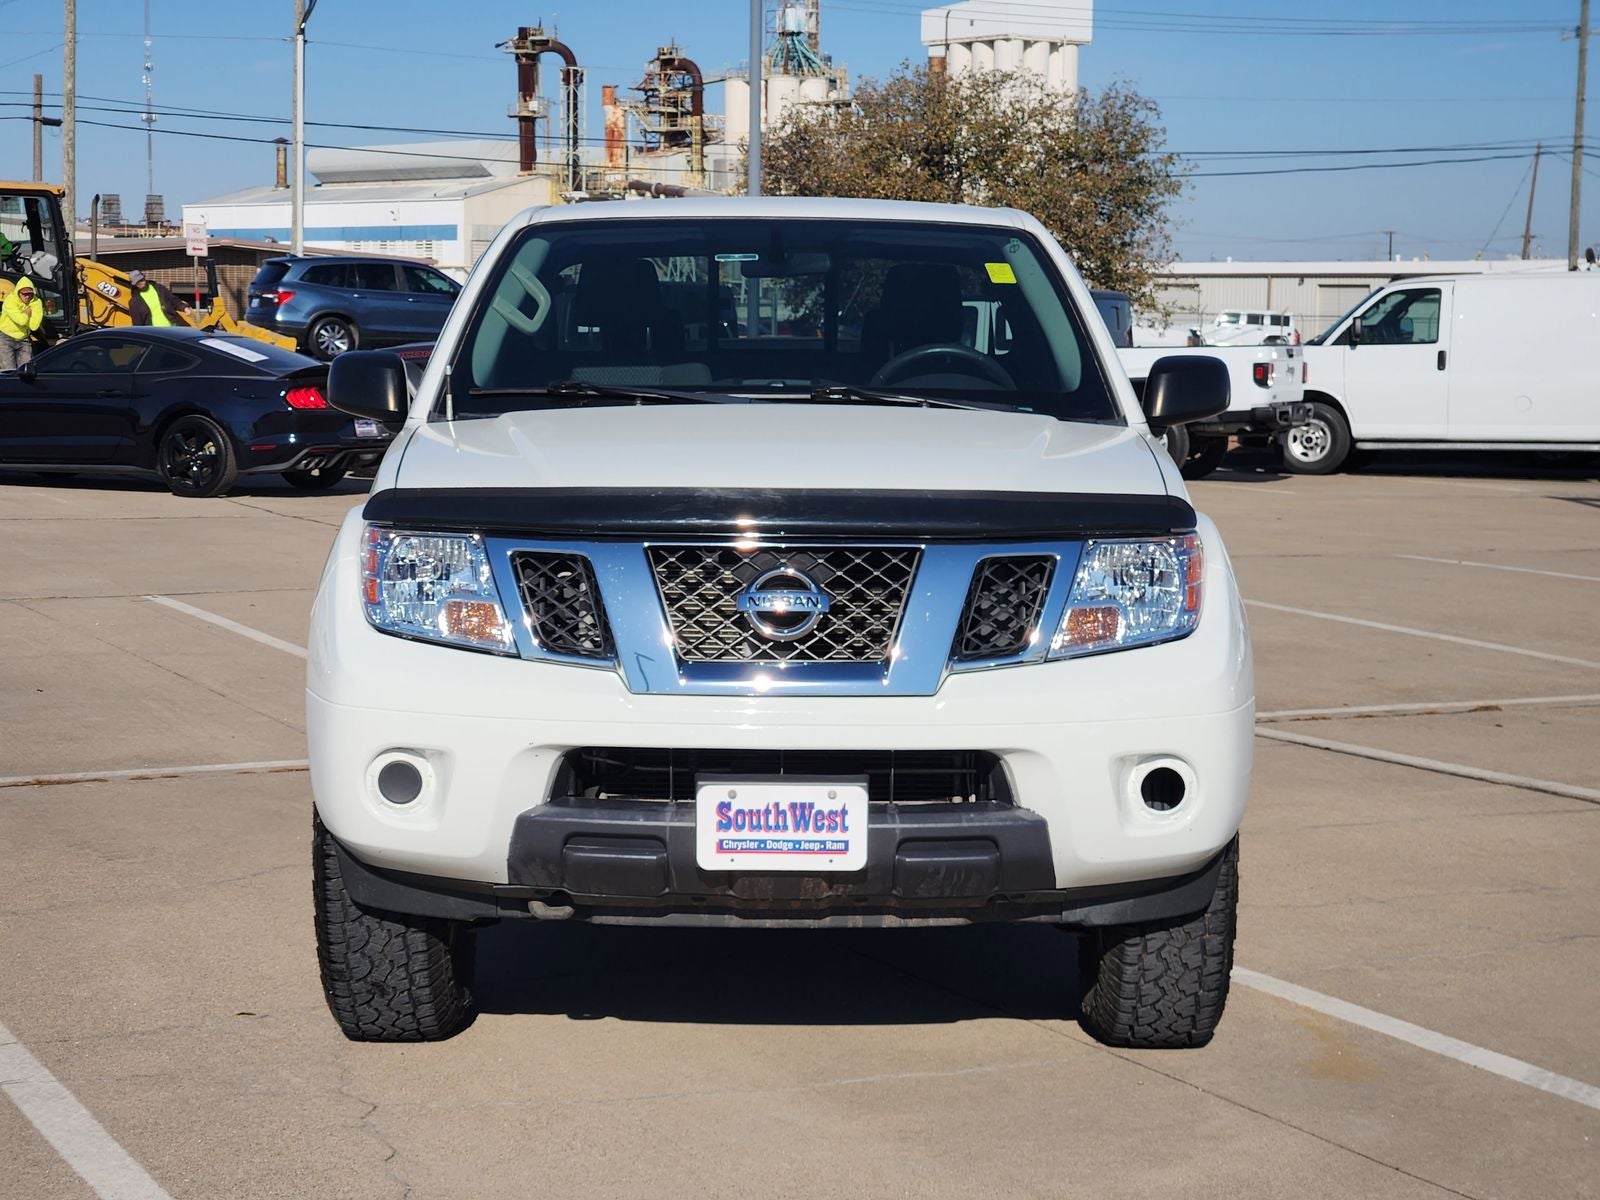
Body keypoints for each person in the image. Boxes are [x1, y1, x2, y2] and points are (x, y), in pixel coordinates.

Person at [0, 276, 43, 370]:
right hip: (6, 339)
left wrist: (23, 315)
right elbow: (21, 320)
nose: (27, 296)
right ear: (18, 292)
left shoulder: (36, 302)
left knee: (26, 370)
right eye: (24, 294)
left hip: (24, 339)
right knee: (8, 371)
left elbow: (34, 326)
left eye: (30, 294)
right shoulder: (10, 301)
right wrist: (27, 312)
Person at [126, 269, 191, 327]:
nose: (141, 283)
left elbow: (173, 300)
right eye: (137, 282)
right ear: (133, 284)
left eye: (141, 280)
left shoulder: (159, 288)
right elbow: (137, 323)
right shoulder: (134, 302)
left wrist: (184, 308)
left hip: (172, 327)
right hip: (155, 333)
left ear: (144, 278)